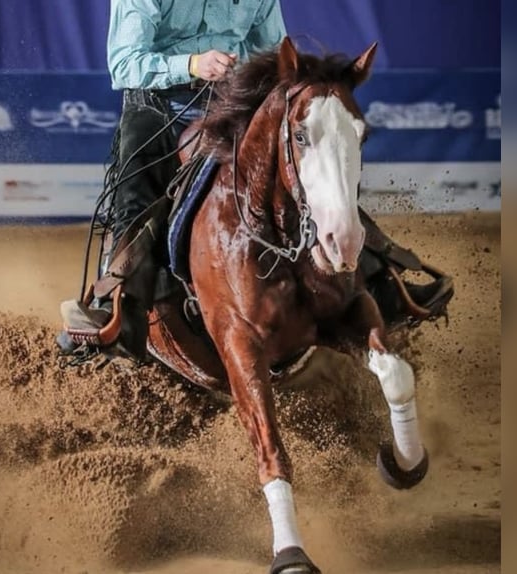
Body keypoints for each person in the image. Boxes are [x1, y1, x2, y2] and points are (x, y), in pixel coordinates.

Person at [59, 0, 453, 360]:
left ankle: (383, 280)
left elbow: (273, 56)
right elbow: (125, 63)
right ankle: (117, 316)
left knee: (303, 173)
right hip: (156, 105)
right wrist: (193, 64)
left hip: (229, 101)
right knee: (134, 196)